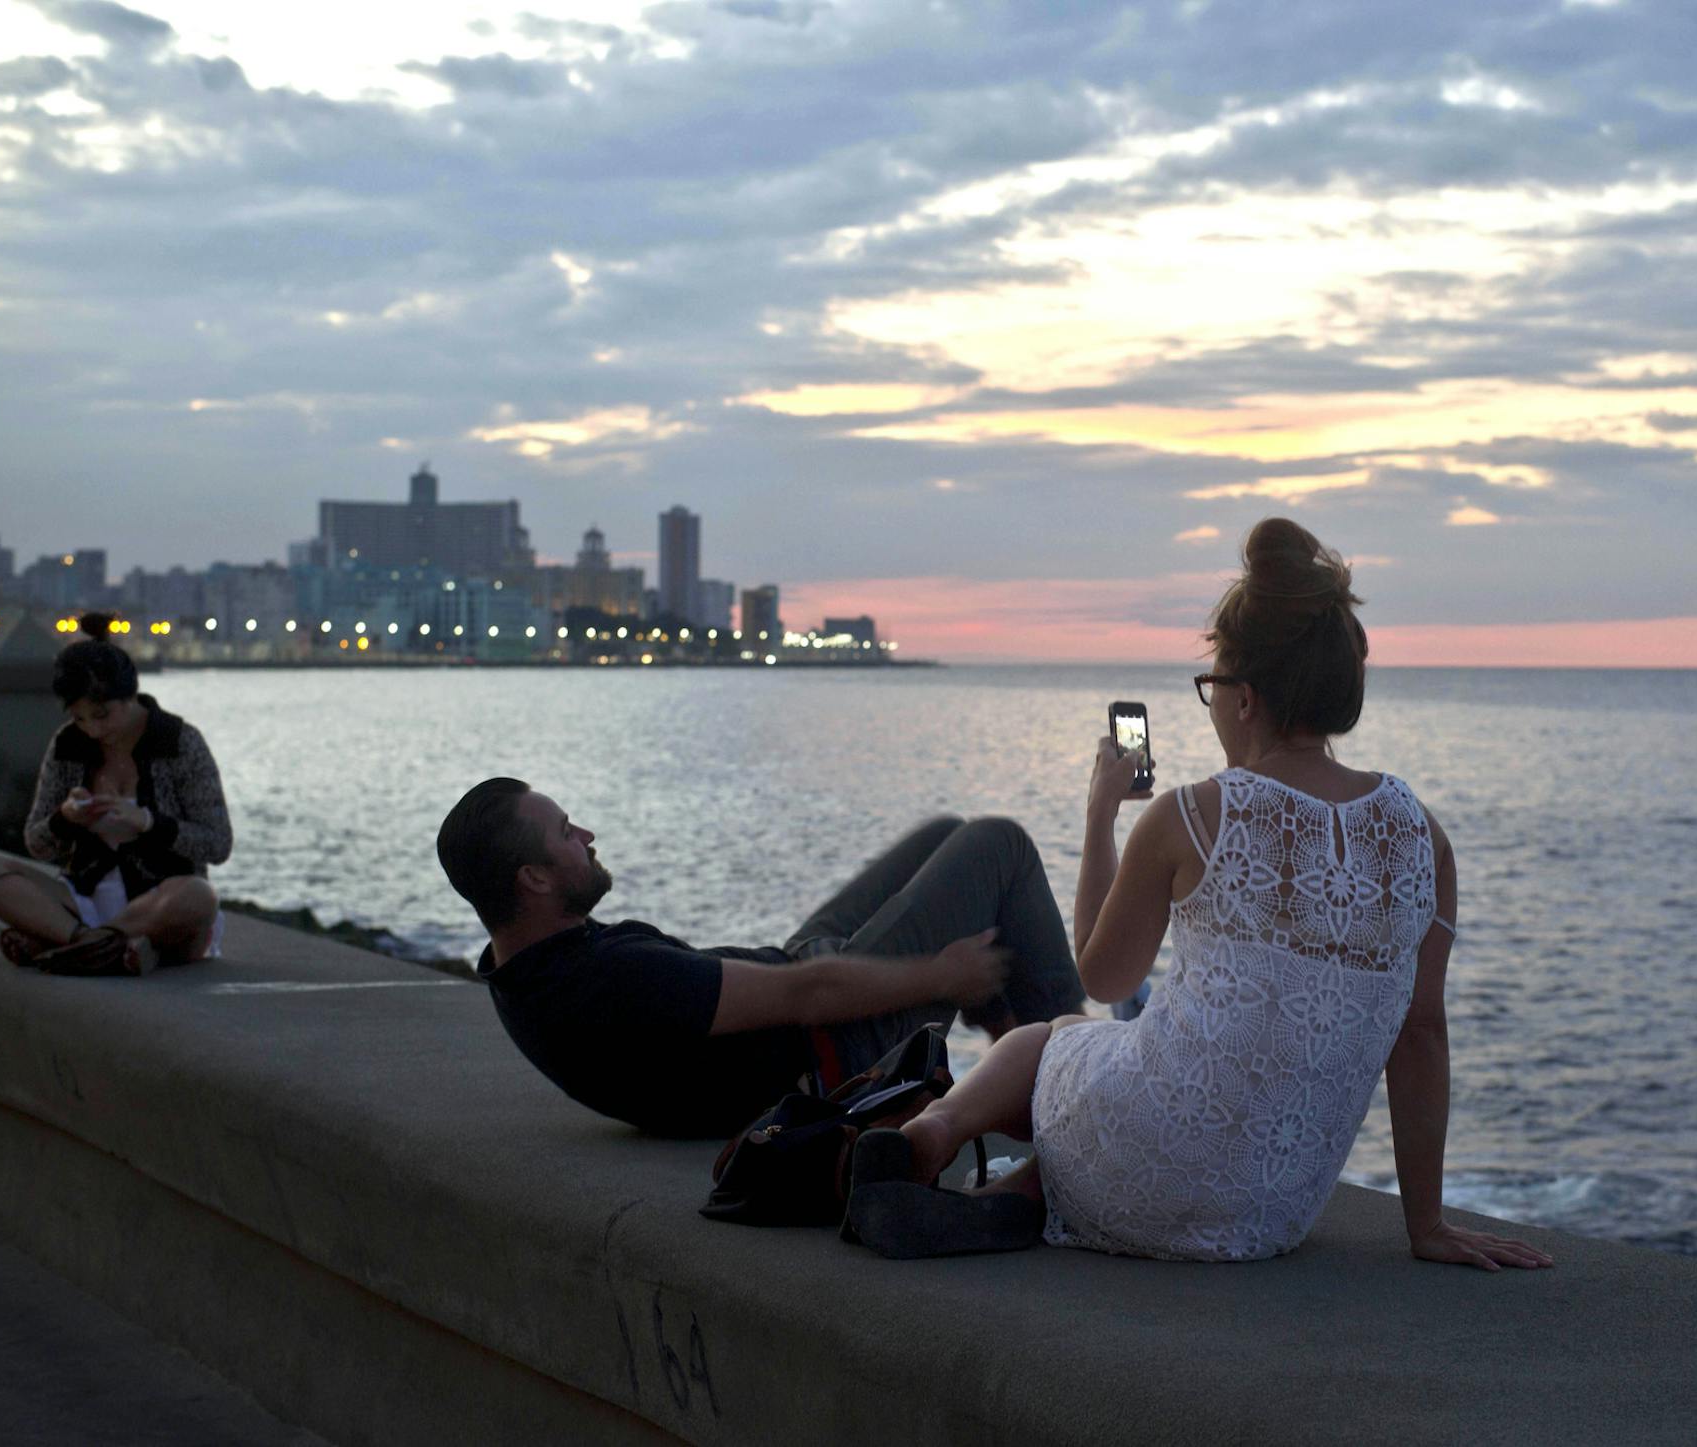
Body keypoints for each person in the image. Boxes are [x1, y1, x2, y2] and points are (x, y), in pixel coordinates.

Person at [845, 519, 1556, 1271]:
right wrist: (1428, 1226)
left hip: (1147, 1150)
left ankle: (932, 1136)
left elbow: (1101, 977)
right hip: (1269, 1211)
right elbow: (1421, 1038)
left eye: (1211, 686)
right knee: (1118, 1081)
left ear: (1245, 699)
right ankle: (1020, 1198)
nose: (1210, 703)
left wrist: (1098, 818)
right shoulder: (1423, 837)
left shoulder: (1190, 812)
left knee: (1049, 1038)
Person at [434, 780, 1088, 1138]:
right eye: (566, 832)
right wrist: (943, 976)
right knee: (998, 845)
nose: (586, 835)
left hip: (802, 984)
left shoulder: (521, 967)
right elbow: (806, 997)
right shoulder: (607, 982)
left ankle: (1015, 1062)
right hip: (841, 1045)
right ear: (535, 880)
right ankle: (1082, 1101)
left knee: (945, 835)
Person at [0, 614, 231, 975]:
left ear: (130, 696)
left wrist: (147, 822)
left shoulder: (179, 743)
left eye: (102, 714)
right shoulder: (68, 745)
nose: (93, 729)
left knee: (199, 896)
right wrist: (66, 819)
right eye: (80, 717)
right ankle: (97, 945)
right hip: (78, 903)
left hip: (158, 905)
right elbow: (36, 844)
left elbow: (217, 844)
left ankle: (68, 942)